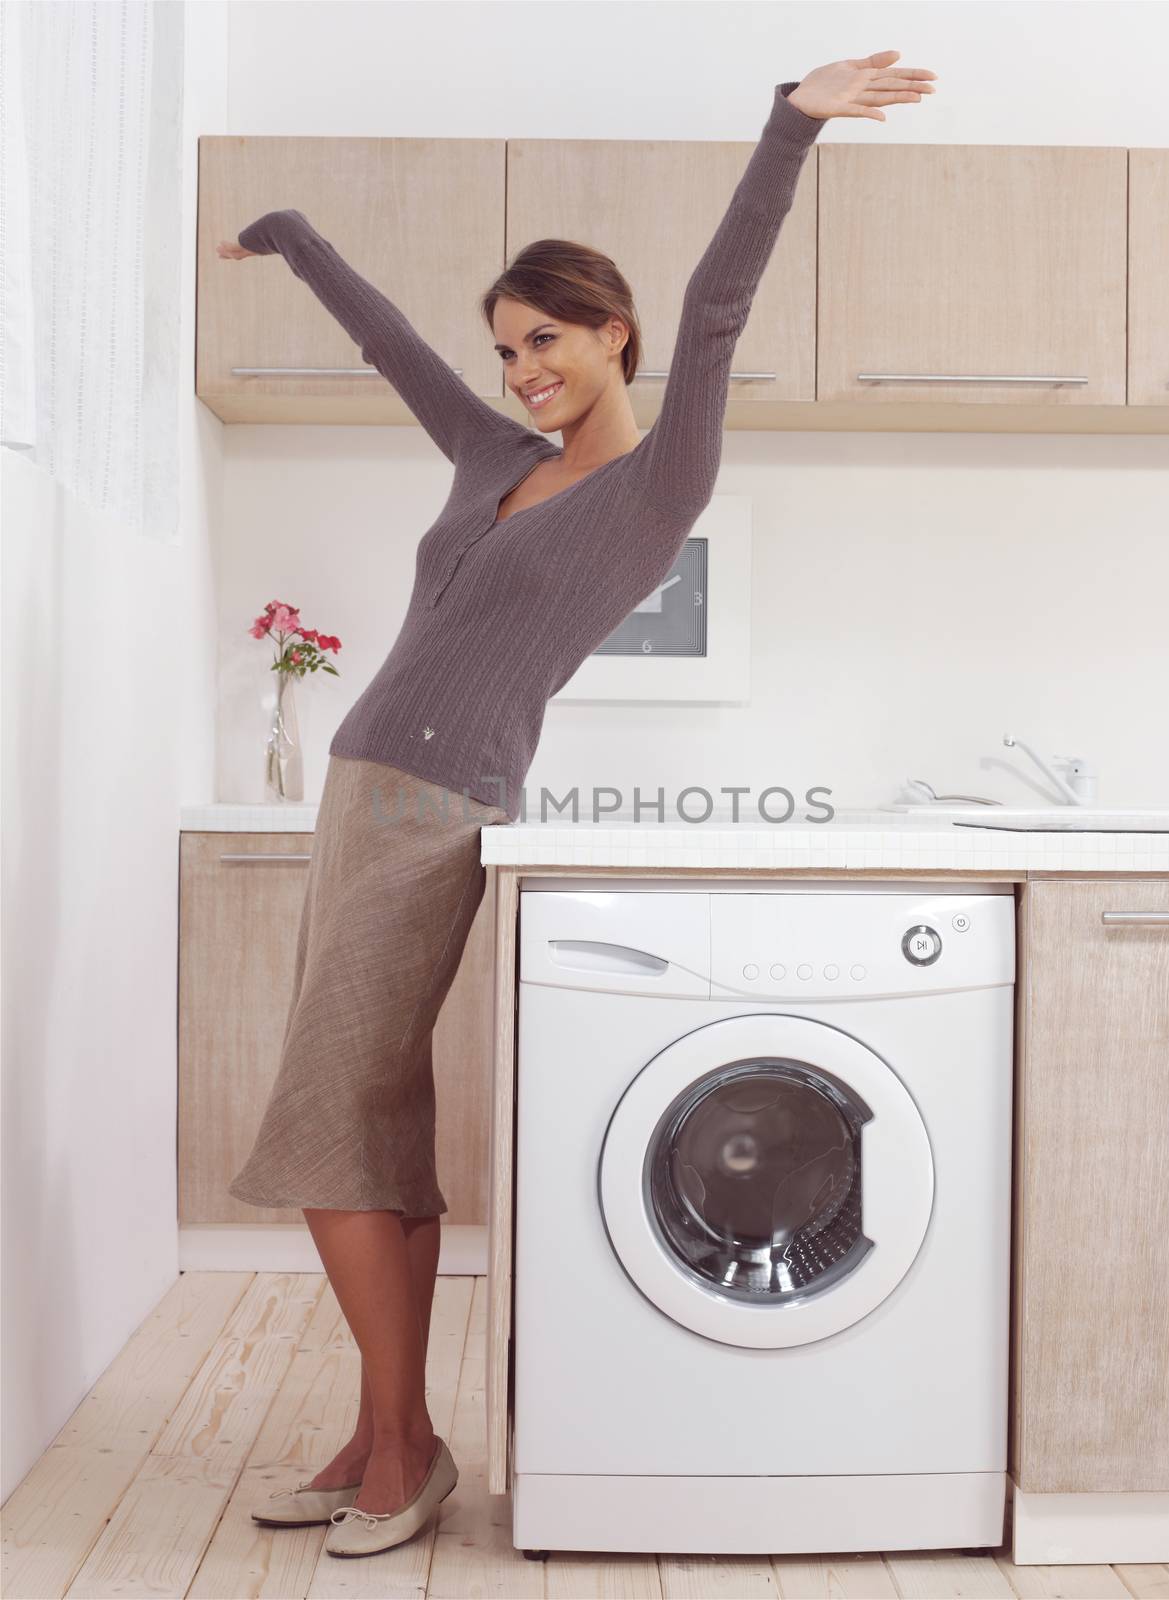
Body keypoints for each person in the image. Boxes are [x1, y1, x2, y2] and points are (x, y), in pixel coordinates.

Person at [217, 50, 936, 1559]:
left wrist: (786, 125)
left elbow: (723, 306)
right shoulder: (493, 453)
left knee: (325, 1118)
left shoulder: (661, 479)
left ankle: (405, 1449)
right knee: (377, 1121)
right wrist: (294, 236)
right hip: (361, 793)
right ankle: (378, 1434)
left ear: (613, 336)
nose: (521, 367)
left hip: (438, 810)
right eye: (507, 349)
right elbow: (395, 348)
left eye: (547, 339)